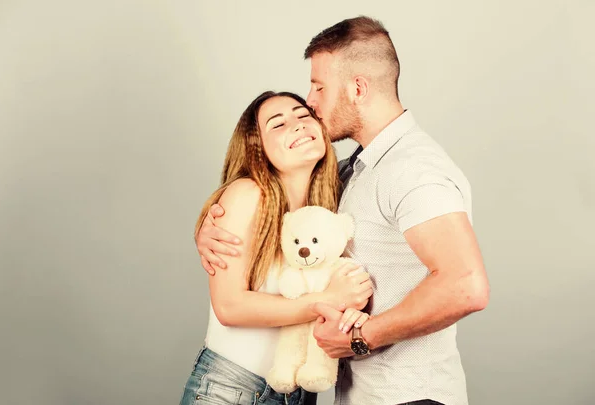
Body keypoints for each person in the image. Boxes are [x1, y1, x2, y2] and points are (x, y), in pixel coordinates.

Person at [195, 16, 490, 405]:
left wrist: (358, 338)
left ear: (357, 88)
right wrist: (210, 229)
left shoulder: (413, 170)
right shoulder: (356, 170)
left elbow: (465, 285)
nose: (311, 103)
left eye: (318, 87)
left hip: (407, 396)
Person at [179, 90, 374, 405]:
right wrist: (325, 300)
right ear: (257, 148)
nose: (297, 125)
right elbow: (230, 307)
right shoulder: (246, 194)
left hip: (297, 395)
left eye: (303, 115)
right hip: (232, 390)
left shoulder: (328, 206)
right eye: (278, 124)